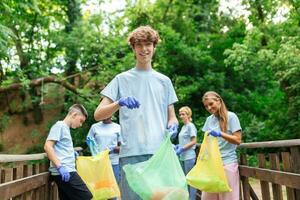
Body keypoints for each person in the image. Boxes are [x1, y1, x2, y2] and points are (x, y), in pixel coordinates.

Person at [94, 25, 178, 199]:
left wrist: (173, 126)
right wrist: (119, 102)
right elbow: (98, 114)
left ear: (154, 47)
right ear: (133, 48)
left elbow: (172, 117)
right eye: (139, 45)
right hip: (131, 154)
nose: (144, 49)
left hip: (158, 155)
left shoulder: (164, 81)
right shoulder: (121, 79)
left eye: (148, 44)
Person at [44, 104, 93, 200]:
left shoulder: (65, 128)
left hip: (65, 171)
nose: (81, 124)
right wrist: (60, 167)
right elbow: (48, 146)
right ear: (74, 115)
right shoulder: (59, 126)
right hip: (65, 171)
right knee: (87, 197)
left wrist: (71, 152)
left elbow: (60, 147)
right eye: (81, 121)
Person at [201, 91, 242, 200]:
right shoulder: (209, 120)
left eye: (211, 104)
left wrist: (220, 134)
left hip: (227, 164)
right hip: (212, 166)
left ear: (218, 101)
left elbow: (238, 140)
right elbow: (206, 141)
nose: (209, 108)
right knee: (207, 197)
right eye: (206, 106)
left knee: (228, 198)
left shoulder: (231, 117)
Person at [86, 116, 121, 183]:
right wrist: (95, 151)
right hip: (99, 162)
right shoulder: (94, 127)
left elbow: (122, 147)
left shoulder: (118, 127)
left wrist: (114, 150)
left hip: (113, 163)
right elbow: (89, 141)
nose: (106, 116)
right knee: (100, 187)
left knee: (114, 187)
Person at [175, 106, 197, 200]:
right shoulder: (183, 127)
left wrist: (182, 148)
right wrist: (178, 146)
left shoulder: (190, 126)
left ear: (188, 115)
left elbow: (193, 141)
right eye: (180, 114)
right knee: (184, 180)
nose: (181, 116)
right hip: (182, 156)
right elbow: (183, 141)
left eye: (183, 114)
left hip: (189, 156)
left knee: (190, 180)